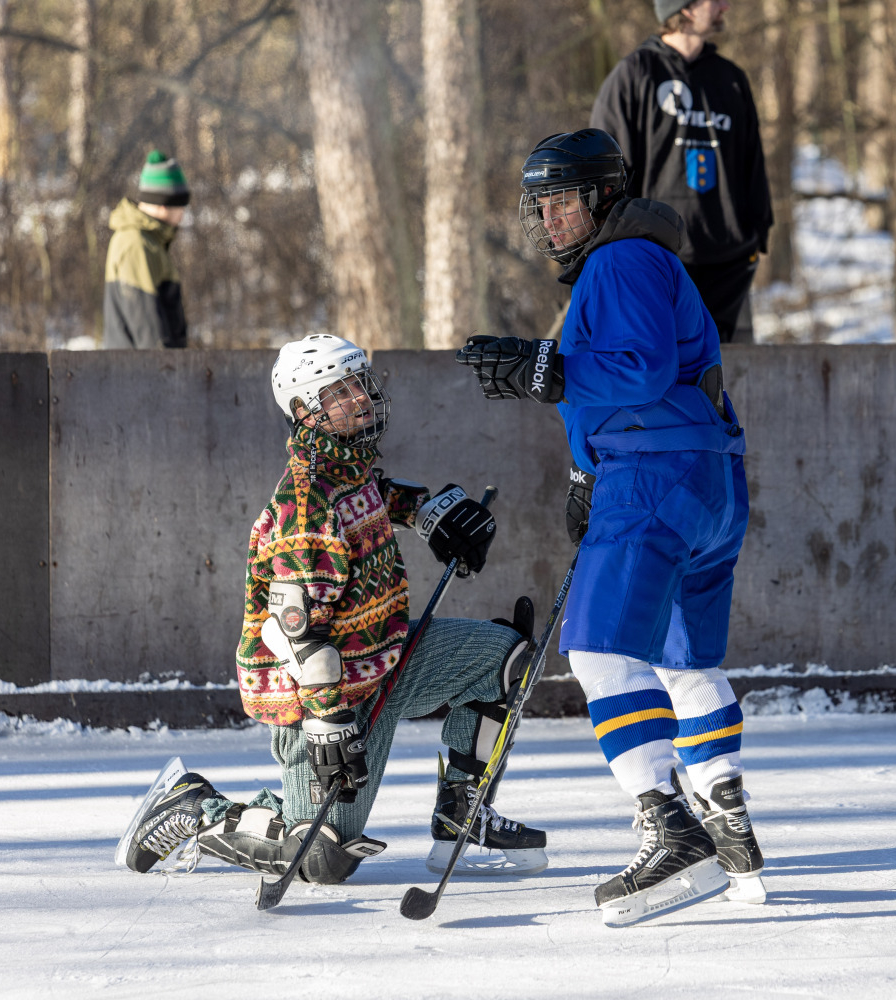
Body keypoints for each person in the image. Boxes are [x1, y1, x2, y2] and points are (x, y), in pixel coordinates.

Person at [455, 129, 764, 927]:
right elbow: (640, 382)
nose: (550, 220)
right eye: (541, 207)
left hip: (655, 475)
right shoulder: (636, 261)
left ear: (601, 198)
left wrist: (544, 368)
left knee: (597, 650)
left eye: (562, 202)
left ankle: (671, 830)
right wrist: (585, 475)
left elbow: (640, 369)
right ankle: (725, 815)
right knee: (682, 659)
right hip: (703, 480)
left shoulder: (620, 260)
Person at [117, 333, 547, 885]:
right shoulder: (304, 508)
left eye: (359, 384)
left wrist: (429, 513)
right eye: (339, 393)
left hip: (383, 659)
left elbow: (377, 493)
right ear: (304, 411)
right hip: (324, 696)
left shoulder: (345, 467)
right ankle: (194, 808)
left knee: (504, 659)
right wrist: (328, 721)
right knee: (321, 855)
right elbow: (294, 635)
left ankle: (462, 813)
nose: (360, 398)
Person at [590, 0, 771, 344]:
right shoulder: (633, 75)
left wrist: (757, 233)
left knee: (718, 369)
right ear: (686, 8)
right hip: (656, 263)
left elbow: (753, 165)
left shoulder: (731, 79)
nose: (725, 7)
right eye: (714, 1)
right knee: (661, 364)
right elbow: (606, 176)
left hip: (727, 268)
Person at [103, 150, 191, 349]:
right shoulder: (136, 244)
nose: (183, 214)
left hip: (147, 366)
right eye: (181, 206)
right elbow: (148, 329)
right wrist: (167, 365)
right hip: (141, 367)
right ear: (164, 204)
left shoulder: (150, 241)